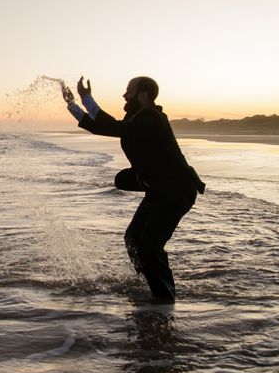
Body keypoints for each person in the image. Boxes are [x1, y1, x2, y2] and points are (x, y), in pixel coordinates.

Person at [63, 76, 204, 302]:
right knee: (133, 239)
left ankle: (164, 302)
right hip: (160, 192)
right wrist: (72, 105)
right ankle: (150, 284)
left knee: (149, 247)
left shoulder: (152, 119)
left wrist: (85, 97)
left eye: (129, 90)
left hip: (176, 192)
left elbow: (109, 126)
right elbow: (101, 127)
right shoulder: (137, 119)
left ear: (144, 95)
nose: (124, 94)